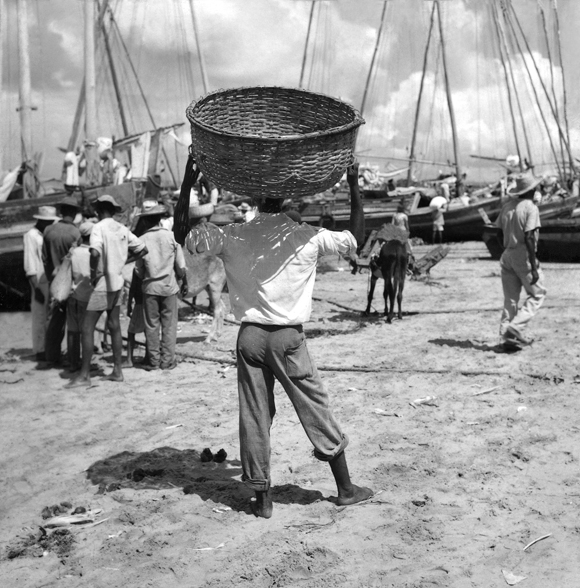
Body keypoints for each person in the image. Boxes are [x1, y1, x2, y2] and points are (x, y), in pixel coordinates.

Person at [186, 162, 373, 518]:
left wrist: (186, 184)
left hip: (249, 338)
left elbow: (187, 236)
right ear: (286, 195)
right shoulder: (307, 235)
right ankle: (346, 489)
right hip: (287, 339)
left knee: (254, 414)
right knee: (314, 406)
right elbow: (355, 239)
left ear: (255, 198)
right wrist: (352, 183)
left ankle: (261, 499)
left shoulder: (233, 234)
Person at [66, 195, 147, 388]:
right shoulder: (122, 228)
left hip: (102, 283)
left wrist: (95, 272)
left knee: (87, 327)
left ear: (98, 210)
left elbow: (94, 253)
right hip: (117, 282)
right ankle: (117, 371)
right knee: (114, 326)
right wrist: (121, 263)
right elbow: (142, 250)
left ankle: (84, 375)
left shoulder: (98, 228)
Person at [495, 172, 547, 350]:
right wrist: (533, 266)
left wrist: (505, 249)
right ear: (531, 190)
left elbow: (497, 232)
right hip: (522, 254)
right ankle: (515, 328)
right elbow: (530, 237)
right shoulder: (530, 207)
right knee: (537, 293)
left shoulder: (507, 206)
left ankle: (505, 338)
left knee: (510, 299)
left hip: (507, 254)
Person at [135, 204, 187, 371]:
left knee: (151, 326)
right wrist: (181, 279)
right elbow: (181, 266)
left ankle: (154, 361)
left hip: (150, 288)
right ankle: (167, 361)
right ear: (159, 219)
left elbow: (138, 269)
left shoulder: (141, 240)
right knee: (169, 325)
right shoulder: (172, 237)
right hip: (168, 287)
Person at [42, 196, 82, 365]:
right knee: (73, 322)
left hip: (54, 279)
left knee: (54, 320)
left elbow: (44, 258)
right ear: (73, 214)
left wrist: (52, 275)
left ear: (61, 211)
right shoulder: (75, 233)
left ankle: (51, 356)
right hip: (71, 282)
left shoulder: (48, 230)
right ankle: (73, 359)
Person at [23, 206, 59, 361]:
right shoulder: (31, 235)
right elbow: (30, 263)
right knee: (39, 316)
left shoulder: (46, 234)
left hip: (48, 279)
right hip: (38, 280)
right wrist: (35, 286)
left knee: (48, 316)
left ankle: (49, 348)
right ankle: (40, 350)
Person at [67, 222, 94, 371]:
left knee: (72, 330)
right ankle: (86, 365)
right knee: (87, 331)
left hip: (73, 294)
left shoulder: (73, 252)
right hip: (87, 296)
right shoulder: (93, 252)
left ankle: (73, 363)